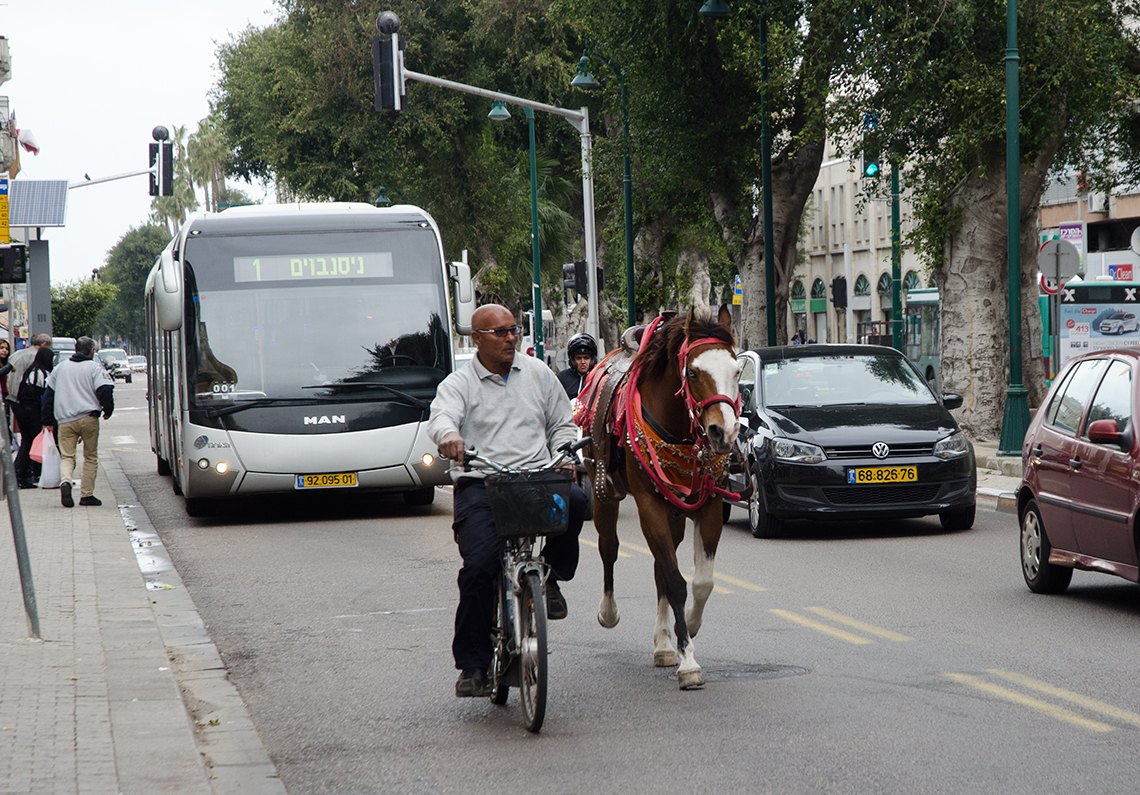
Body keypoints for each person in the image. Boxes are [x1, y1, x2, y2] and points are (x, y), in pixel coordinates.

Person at [427, 303, 588, 698]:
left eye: (513, 330)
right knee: (479, 566)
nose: (510, 338)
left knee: (579, 501)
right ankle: (473, 665)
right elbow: (441, 417)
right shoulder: (459, 383)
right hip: (482, 483)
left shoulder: (538, 374)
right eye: (499, 332)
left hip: (537, 477)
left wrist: (566, 453)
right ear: (476, 339)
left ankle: (550, 578)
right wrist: (449, 437)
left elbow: (561, 423)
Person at [42, 337, 114, 508]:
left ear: (75, 350)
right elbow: (105, 389)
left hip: (65, 420)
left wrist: (47, 420)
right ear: (91, 351)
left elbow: (48, 396)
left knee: (67, 456)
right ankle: (87, 495)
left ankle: (66, 481)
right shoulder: (95, 367)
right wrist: (107, 410)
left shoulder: (60, 368)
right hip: (88, 418)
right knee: (90, 456)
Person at [11, 346, 52, 488]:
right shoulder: (42, 373)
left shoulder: (31, 370)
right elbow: (45, 395)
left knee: (27, 441)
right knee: (34, 442)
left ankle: (21, 475)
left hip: (22, 409)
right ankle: (25, 474)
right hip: (32, 410)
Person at [556, 332, 598, 400]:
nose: (582, 362)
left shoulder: (598, 377)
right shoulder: (563, 377)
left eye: (586, 358)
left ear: (592, 359)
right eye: (579, 358)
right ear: (573, 360)